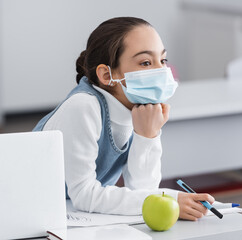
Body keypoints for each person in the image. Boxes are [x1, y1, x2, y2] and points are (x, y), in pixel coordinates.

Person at [33, 17, 214, 221]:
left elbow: (142, 189)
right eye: (146, 62)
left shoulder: (139, 108)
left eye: (162, 60)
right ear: (107, 75)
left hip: (69, 214)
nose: (161, 71)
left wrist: (147, 135)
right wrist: (170, 199)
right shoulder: (83, 106)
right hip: (31, 212)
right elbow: (84, 194)